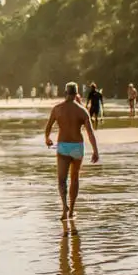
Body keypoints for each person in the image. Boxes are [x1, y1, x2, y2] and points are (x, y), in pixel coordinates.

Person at [44, 82, 100, 220]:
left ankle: (64, 207)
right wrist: (95, 150)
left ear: (65, 93)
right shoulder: (82, 111)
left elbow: (48, 127)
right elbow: (90, 133)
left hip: (63, 146)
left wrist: (47, 138)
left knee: (62, 180)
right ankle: (72, 210)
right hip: (77, 147)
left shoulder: (57, 109)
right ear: (76, 94)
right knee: (74, 178)